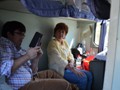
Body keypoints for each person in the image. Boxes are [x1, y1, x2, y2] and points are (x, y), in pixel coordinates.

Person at [0, 21, 72, 90]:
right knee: (64, 84)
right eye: (19, 33)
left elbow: (33, 72)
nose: (22, 37)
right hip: (24, 86)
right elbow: (4, 69)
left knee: (52, 73)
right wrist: (27, 56)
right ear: (9, 34)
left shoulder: (18, 49)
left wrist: (36, 59)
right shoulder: (4, 45)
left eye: (23, 34)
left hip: (31, 78)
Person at [47, 22, 92, 90]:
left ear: (65, 34)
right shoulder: (52, 44)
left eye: (63, 32)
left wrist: (71, 63)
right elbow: (59, 60)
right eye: (59, 31)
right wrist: (73, 69)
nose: (61, 34)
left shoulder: (65, 42)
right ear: (55, 32)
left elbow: (70, 55)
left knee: (89, 75)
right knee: (83, 78)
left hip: (68, 68)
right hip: (59, 70)